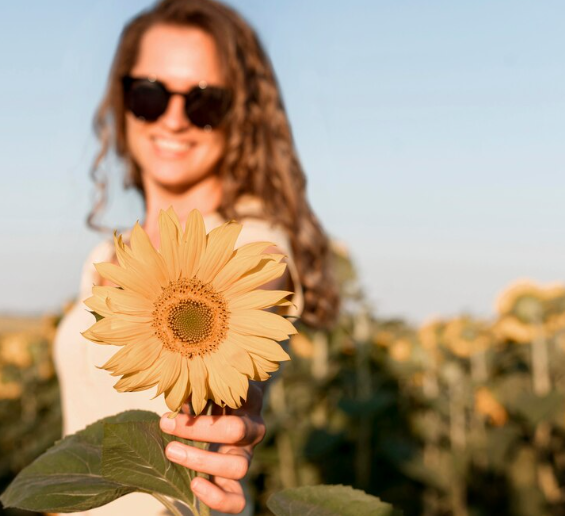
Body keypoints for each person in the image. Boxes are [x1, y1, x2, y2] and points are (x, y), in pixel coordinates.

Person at [53, 0, 340, 514]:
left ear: (241, 115)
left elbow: (253, 293)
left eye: (205, 102)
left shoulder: (251, 243)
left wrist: (233, 411)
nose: (175, 119)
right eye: (150, 95)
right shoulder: (108, 253)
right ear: (122, 101)